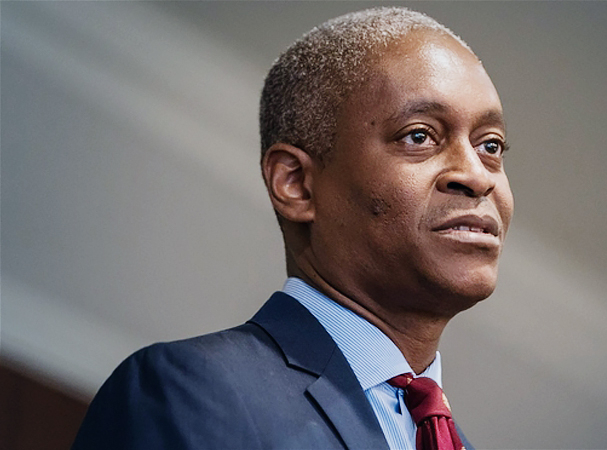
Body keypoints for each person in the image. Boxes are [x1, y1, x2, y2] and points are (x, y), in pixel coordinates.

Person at [72, 6, 513, 450]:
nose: (478, 176)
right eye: (419, 135)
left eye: (490, 146)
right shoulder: (193, 391)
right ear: (297, 185)